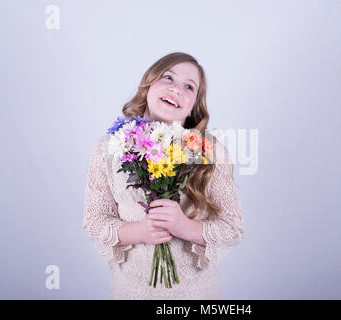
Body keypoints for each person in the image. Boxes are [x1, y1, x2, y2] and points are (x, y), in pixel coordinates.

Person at [82, 52, 244, 299]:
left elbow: (233, 228)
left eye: (189, 86)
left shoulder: (209, 152)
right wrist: (139, 232)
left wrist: (185, 227)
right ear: (148, 83)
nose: (176, 89)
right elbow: (94, 221)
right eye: (168, 77)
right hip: (130, 293)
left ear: (194, 105)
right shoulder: (110, 148)